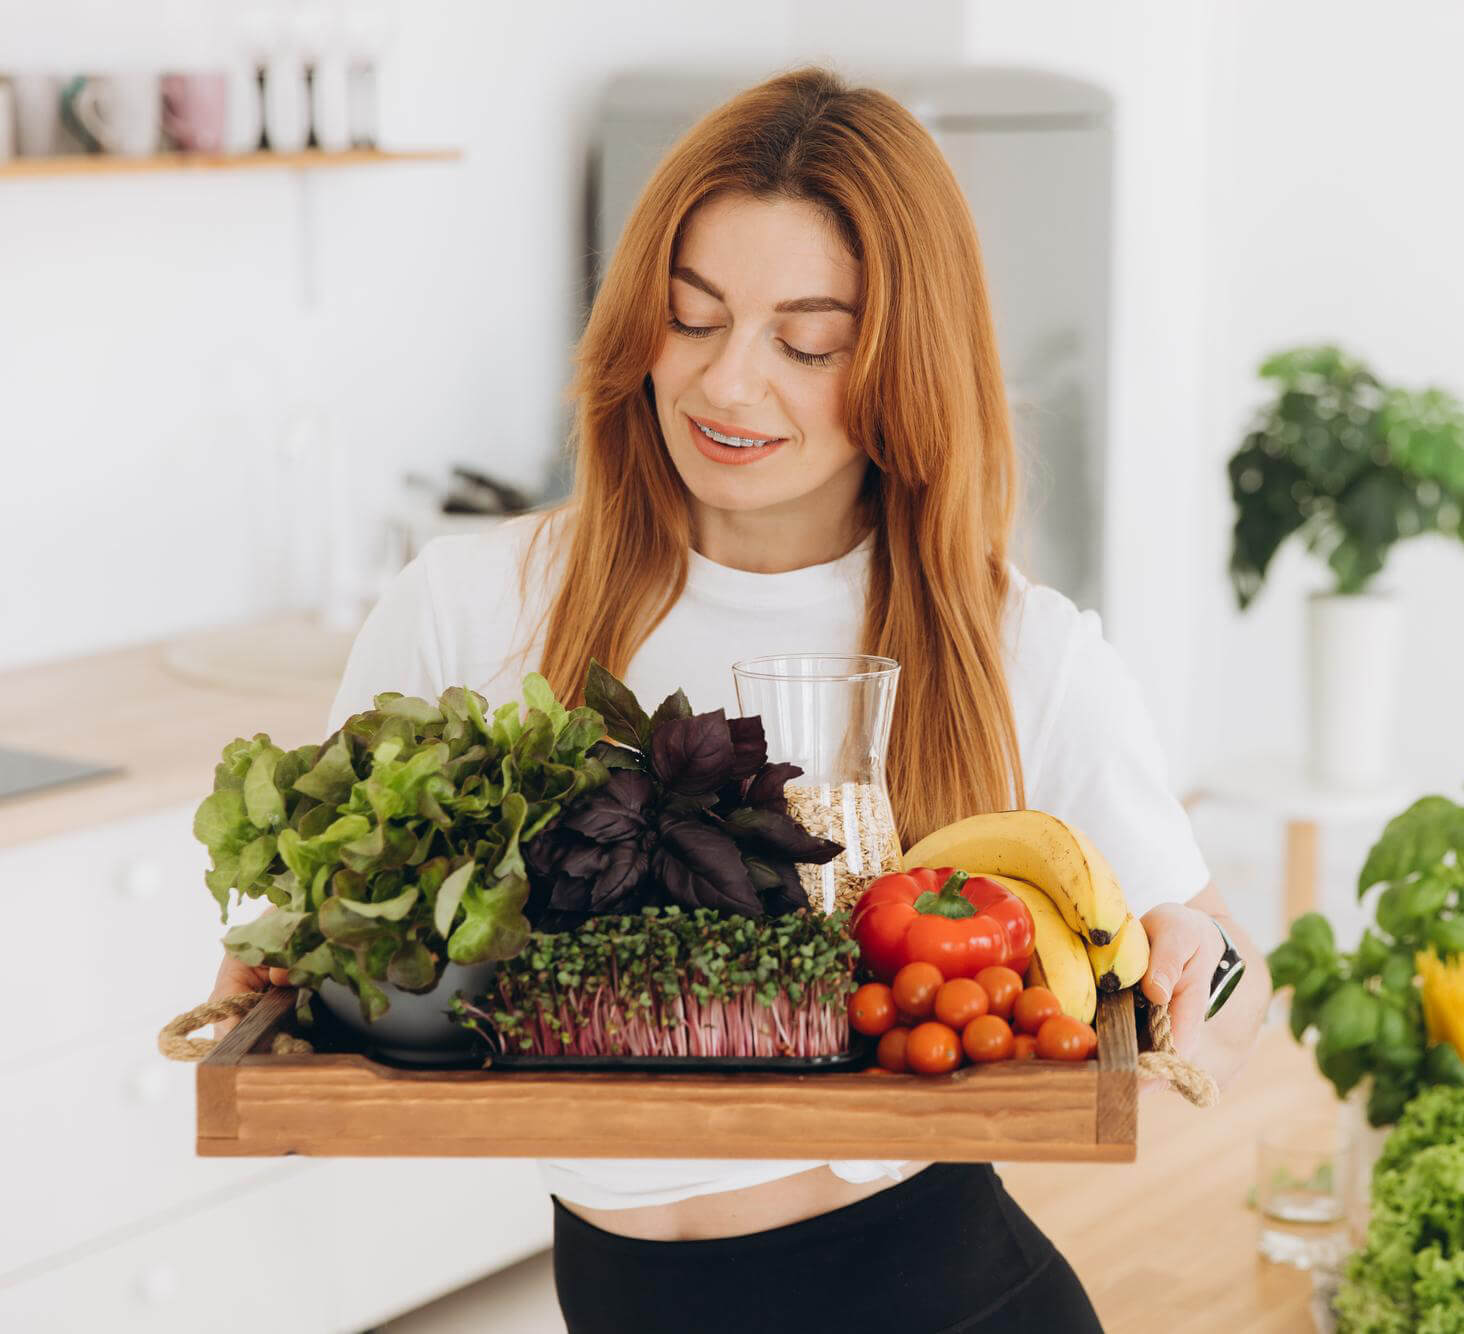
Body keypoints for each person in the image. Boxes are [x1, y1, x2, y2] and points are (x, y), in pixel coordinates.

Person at [209, 65, 1271, 1333]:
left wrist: (1201, 982)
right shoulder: (470, 602)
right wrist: (278, 966)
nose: (725, 385)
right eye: (691, 315)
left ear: (899, 367)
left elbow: (1227, 970)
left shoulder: (1012, 647)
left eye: (806, 342)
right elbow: (319, 923)